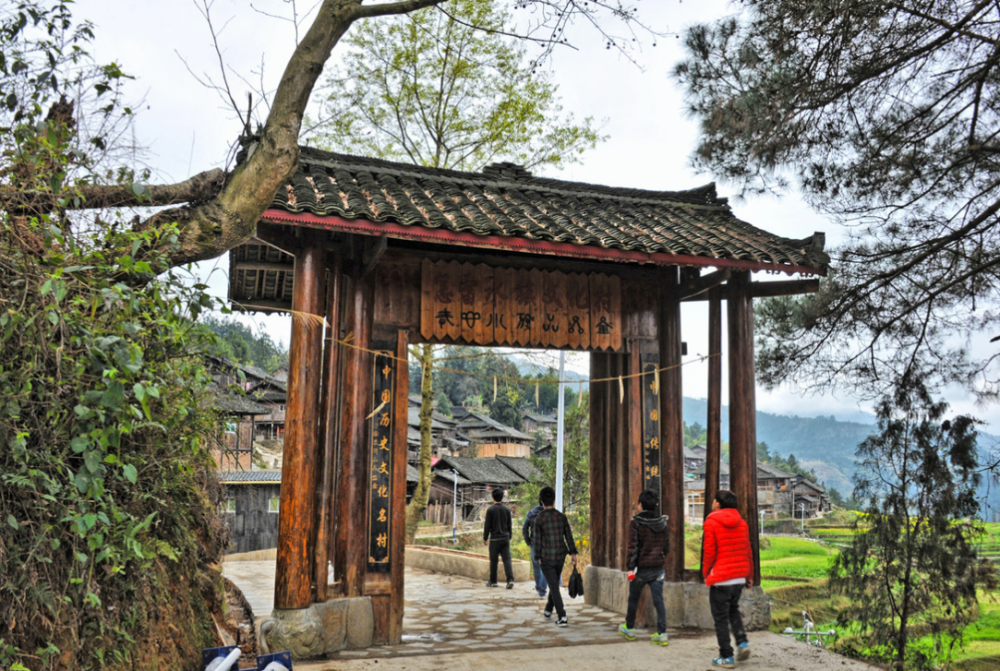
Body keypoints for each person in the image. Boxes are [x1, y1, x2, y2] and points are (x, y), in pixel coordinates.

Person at [702, 489, 753, 669]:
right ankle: (742, 643)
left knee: (721, 618)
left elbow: (709, 551)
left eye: (714, 500)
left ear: (718, 503)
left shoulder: (711, 522)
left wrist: (706, 572)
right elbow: (748, 551)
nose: (712, 502)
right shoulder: (742, 524)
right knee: (733, 610)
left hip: (721, 579)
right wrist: (749, 576)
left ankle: (726, 656)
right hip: (738, 578)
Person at [617, 489, 670, 646]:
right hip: (658, 568)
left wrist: (630, 568)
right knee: (658, 600)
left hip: (641, 568)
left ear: (640, 504)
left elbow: (633, 547)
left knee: (633, 599)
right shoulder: (662, 522)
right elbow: (666, 547)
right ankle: (662, 633)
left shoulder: (636, 522)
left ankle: (630, 628)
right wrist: (660, 557)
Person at [531, 485, 578, 626]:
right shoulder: (561, 517)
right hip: (560, 556)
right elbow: (568, 536)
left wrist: (537, 556)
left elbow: (537, 541)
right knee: (554, 583)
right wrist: (573, 553)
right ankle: (548, 609)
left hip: (546, 557)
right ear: (554, 500)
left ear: (541, 501)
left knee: (554, 586)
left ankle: (562, 616)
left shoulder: (538, 519)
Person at [483, 488, 514, 588]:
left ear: (493, 498)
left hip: (495, 539)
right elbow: (510, 525)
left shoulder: (490, 510)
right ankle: (510, 580)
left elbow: (487, 525)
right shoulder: (507, 510)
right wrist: (509, 536)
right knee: (507, 560)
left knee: (494, 561)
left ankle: (493, 581)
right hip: (505, 538)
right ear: (502, 497)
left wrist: (485, 538)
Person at [522, 494, 548, 598]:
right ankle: (542, 588)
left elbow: (524, 528)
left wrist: (528, 541)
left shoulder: (531, 513)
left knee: (536, 567)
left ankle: (538, 586)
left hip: (534, 544)